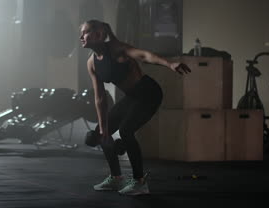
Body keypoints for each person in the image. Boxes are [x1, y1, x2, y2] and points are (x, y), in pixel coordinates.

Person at [79, 20, 191, 196]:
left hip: (149, 93)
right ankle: (116, 178)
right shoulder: (91, 63)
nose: (81, 37)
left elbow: (145, 55)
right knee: (102, 133)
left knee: (125, 131)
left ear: (98, 34)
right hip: (131, 97)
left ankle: (140, 182)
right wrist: (104, 129)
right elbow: (100, 98)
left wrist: (169, 64)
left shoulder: (117, 50)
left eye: (85, 32)